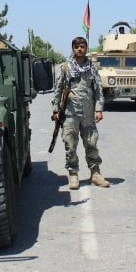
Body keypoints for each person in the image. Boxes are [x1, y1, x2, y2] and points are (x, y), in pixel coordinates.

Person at [51, 36, 110, 189]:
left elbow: (98, 90)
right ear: (73, 49)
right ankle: (73, 175)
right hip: (70, 114)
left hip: (89, 114)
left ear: (86, 48)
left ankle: (95, 174)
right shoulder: (66, 67)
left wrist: (99, 109)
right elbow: (58, 89)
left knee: (91, 143)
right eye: (77, 46)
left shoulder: (92, 67)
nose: (79, 49)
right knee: (70, 145)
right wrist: (56, 109)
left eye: (82, 46)